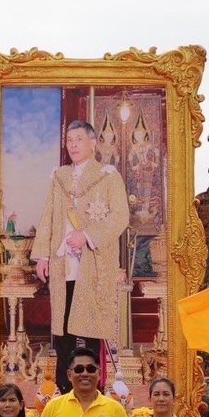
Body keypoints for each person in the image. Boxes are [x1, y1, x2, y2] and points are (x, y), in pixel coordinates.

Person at [30, 118, 130, 391]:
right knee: (62, 332)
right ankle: (64, 393)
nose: (72, 145)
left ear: (93, 142)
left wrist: (86, 236)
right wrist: (42, 256)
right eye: (69, 141)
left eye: (78, 140)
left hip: (93, 266)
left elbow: (121, 216)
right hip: (63, 264)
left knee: (91, 331)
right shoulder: (59, 177)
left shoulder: (108, 176)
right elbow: (49, 216)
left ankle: (94, 392)